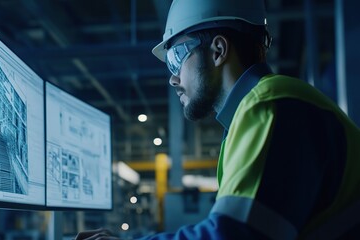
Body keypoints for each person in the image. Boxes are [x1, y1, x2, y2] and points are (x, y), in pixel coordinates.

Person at [75, 0, 360, 239]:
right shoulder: (262, 109)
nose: (173, 78)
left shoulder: (270, 104)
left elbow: (233, 234)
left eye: (176, 58)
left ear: (218, 51)